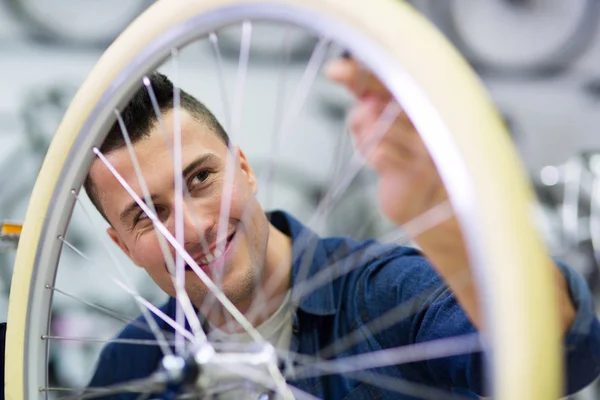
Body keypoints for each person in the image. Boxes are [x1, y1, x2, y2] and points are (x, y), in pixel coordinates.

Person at [85, 58, 600, 399]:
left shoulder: (389, 296)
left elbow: (563, 357)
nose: (193, 227)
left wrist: (440, 216)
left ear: (243, 167)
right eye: (146, 216)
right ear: (123, 245)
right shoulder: (131, 366)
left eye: (201, 178)